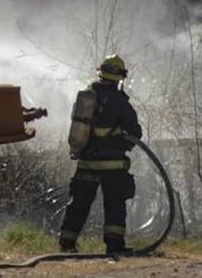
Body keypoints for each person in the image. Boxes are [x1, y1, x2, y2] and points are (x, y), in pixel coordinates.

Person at [58, 53, 142, 254]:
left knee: (79, 204)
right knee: (114, 204)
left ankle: (67, 243)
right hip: (113, 165)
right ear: (120, 78)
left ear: (101, 73)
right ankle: (114, 246)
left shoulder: (87, 98)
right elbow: (135, 133)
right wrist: (122, 143)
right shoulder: (120, 102)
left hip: (86, 162)